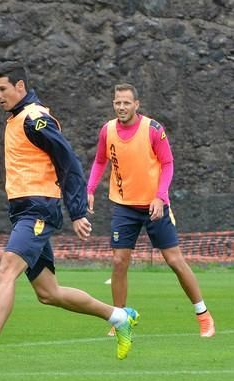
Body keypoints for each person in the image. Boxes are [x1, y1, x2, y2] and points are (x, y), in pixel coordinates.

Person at [0, 61, 139, 369]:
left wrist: (77, 212)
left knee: (6, 270)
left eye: (2, 89)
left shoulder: (35, 119)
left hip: (38, 210)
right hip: (24, 211)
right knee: (49, 293)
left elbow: (69, 163)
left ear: (20, 86)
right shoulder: (16, 119)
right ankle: (119, 316)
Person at [87, 83, 215, 338]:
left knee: (175, 261)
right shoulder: (107, 130)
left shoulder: (153, 129)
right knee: (118, 260)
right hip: (124, 206)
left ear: (137, 104)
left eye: (126, 102)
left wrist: (160, 197)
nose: (121, 107)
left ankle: (203, 315)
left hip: (155, 205)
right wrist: (89, 189)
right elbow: (101, 160)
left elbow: (167, 163)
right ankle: (119, 318)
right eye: (117, 102)